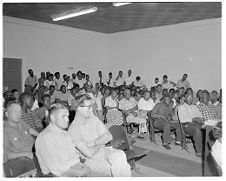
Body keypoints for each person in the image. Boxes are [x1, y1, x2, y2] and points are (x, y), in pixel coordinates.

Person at [68, 94, 131, 177]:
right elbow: (89, 153)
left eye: (92, 106)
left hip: (102, 151)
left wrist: (93, 143)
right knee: (121, 168)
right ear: (78, 108)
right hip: (88, 161)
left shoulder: (92, 118)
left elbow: (109, 136)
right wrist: (101, 141)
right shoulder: (73, 129)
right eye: (89, 107)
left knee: (120, 155)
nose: (92, 110)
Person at [35, 103, 92, 177]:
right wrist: (80, 173)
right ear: (53, 117)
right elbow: (56, 168)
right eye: (63, 116)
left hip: (73, 170)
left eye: (67, 116)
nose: (67, 119)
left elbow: (73, 156)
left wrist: (80, 165)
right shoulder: (45, 137)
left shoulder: (65, 134)